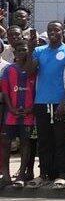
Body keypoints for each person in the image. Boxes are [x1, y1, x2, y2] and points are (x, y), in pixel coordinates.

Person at [30, 20, 65, 187]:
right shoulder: (38, 51)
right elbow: (30, 71)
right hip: (41, 102)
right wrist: (31, 48)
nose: (53, 32)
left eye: (56, 30)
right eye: (50, 30)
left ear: (62, 32)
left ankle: (61, 174)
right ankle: (43, 174)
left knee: (61, 139)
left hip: (59, 102)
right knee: (44, 140)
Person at [0, 31, 38, 187]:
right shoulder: (8, 70)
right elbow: (5, 92)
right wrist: (11, 108)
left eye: (25, 50)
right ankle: (6, 174)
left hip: (28, 114)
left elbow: (37, 90)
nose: (22, 53)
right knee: (5, 142)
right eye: (19, 50)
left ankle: (22, 174)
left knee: (25, 143)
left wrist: (31, 108)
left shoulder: (34, 70)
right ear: (14, 53)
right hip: (11, 114)